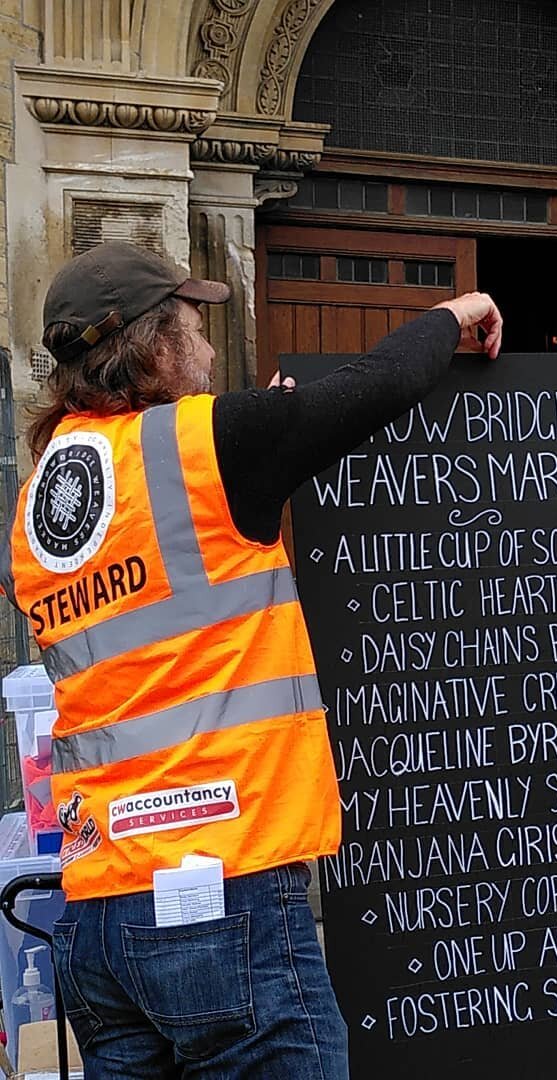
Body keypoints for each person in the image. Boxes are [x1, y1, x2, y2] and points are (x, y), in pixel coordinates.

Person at [0, 240, 502, 1078]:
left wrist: (253, 443)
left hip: (96, 910)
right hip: (217, 893)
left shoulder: (39, 499)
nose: (205, 346)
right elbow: (375, 388)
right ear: (155, 345)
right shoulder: (208, 446)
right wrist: (456, 312)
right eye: (194, 326)